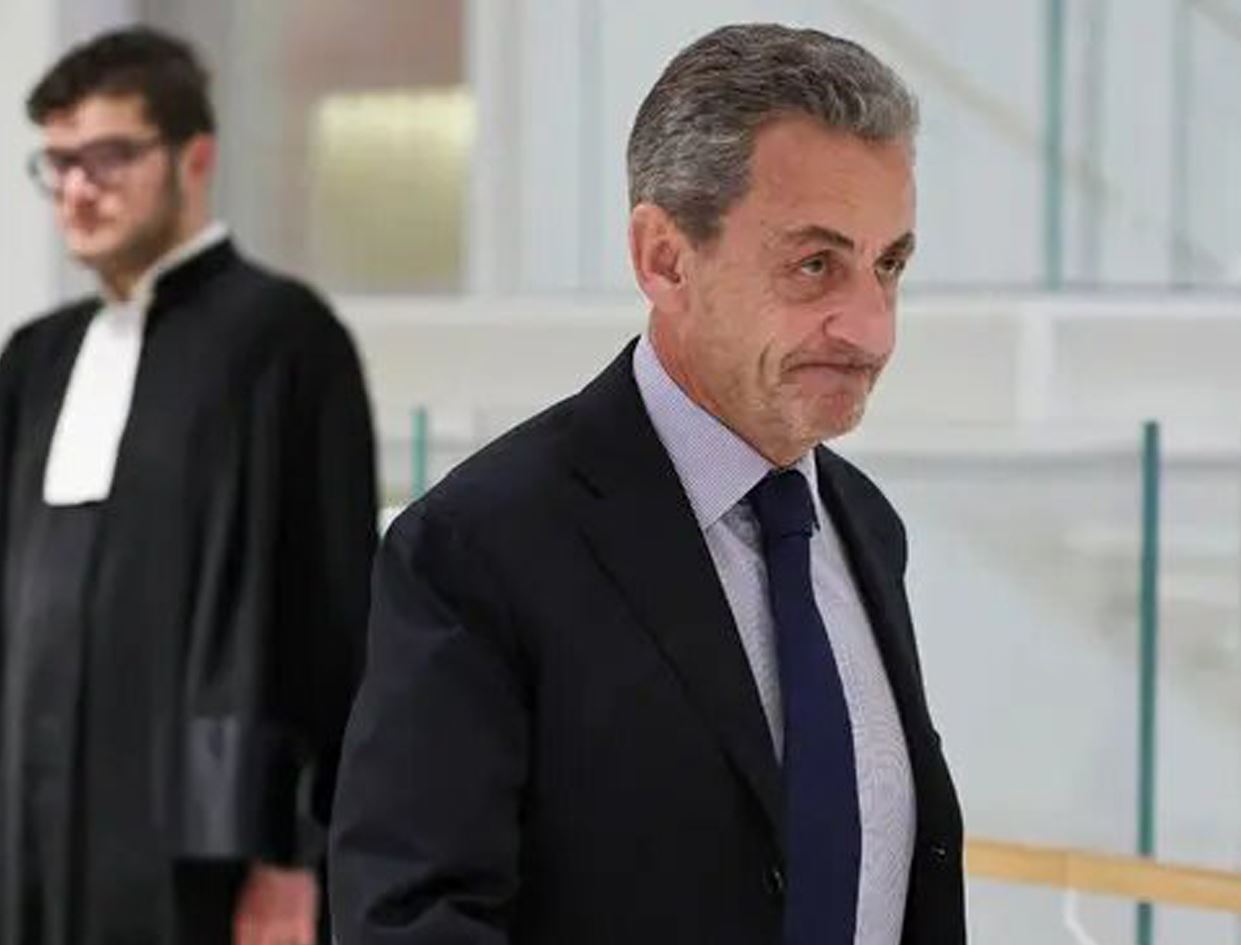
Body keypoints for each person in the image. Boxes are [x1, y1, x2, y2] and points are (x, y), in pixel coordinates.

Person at [330, 22, 965, 945]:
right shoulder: (478, 548)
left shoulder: (864, 525)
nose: (871, 328)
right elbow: (411, 920)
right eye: (814, 264)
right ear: (664, 257)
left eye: (889, 265)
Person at [0, 26, 377, 945]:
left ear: (194, 157)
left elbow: (332, 616)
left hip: (204, 855)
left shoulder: (285, 341)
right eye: (59, 164)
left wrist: (294, 854)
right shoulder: (36, 360)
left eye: (108, 157)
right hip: (33, 840)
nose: (78, 189)